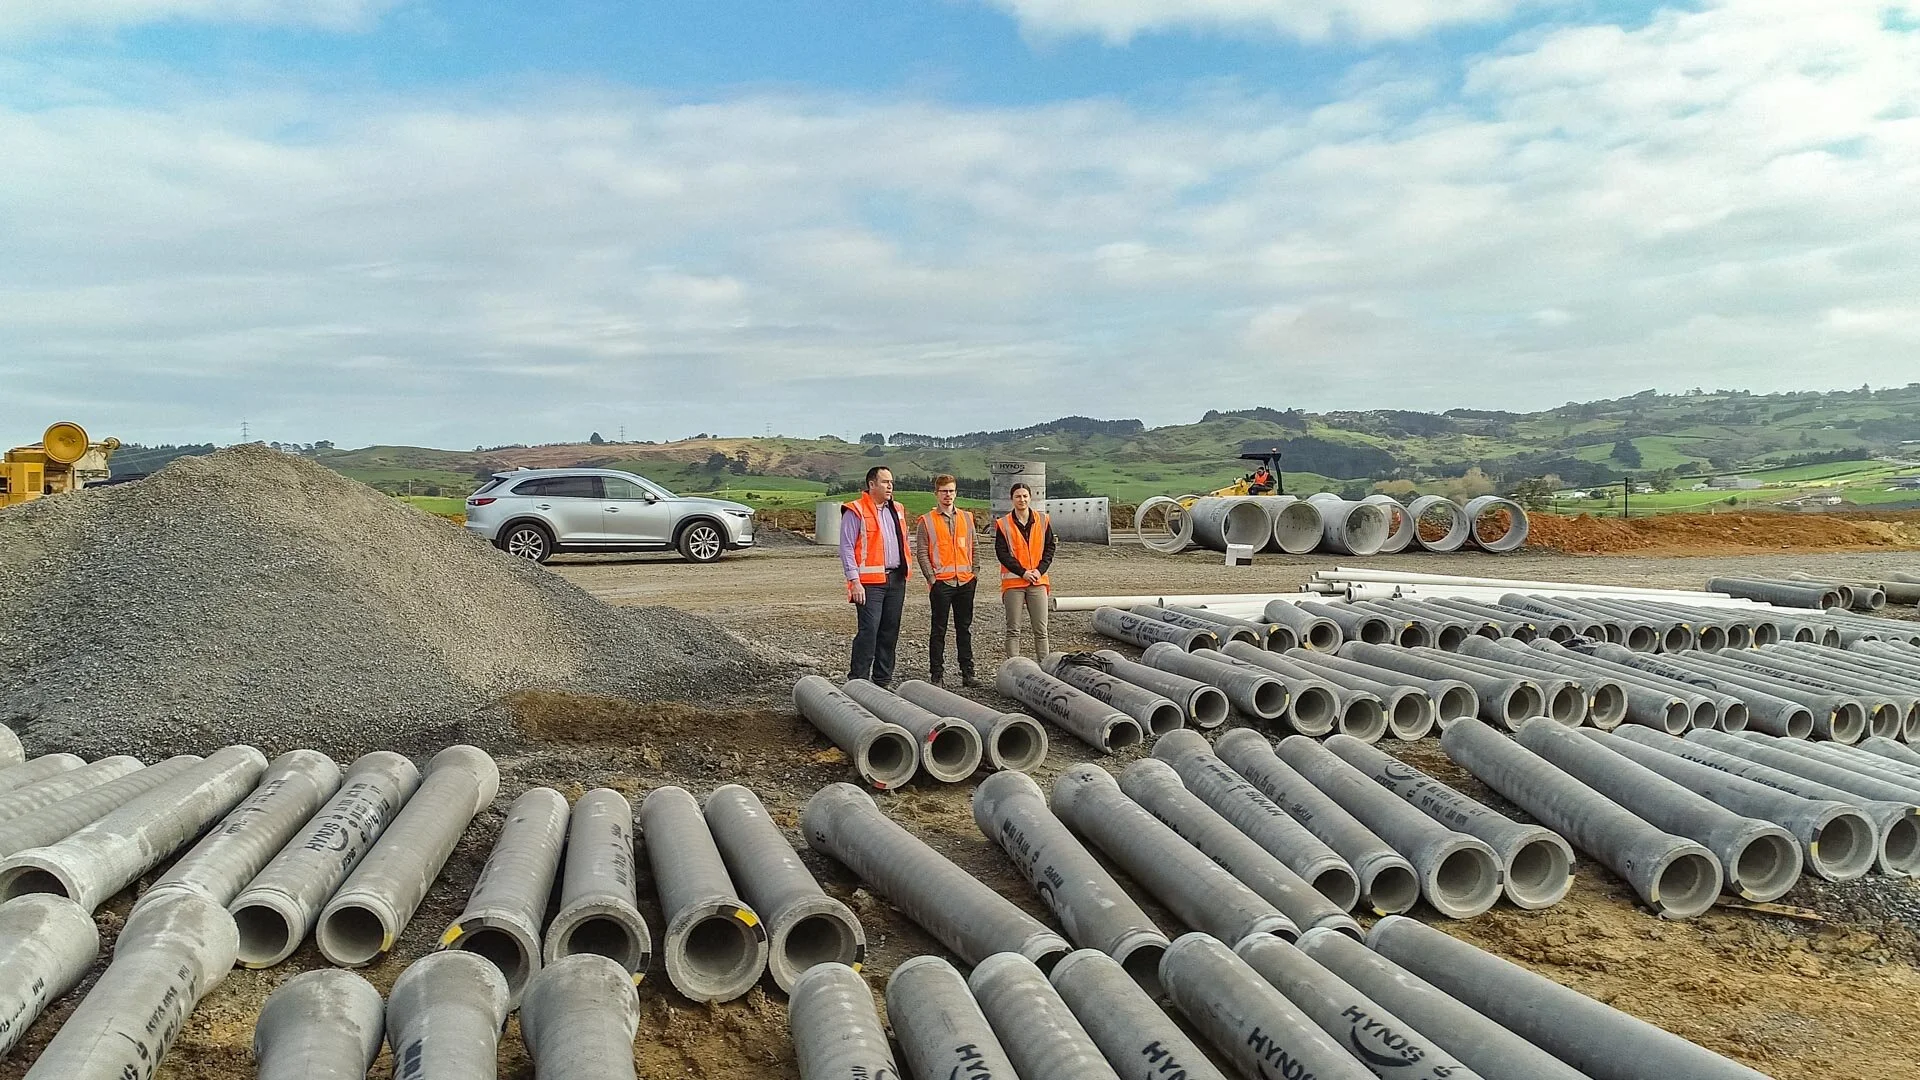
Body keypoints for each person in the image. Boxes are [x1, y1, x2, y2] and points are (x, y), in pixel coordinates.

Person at [840, 465, 912, 687]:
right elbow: (846, 547)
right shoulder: (856, 510)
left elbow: (904, 541)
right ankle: (858, 681)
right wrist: (855, 582)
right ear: (872, 484)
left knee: (889, 632)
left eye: (891, 482)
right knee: (869, 631)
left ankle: (882, 681)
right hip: (869, 584)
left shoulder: (897, 509)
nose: (890, 486)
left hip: (896, 580)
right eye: (885, 482)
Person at [914, 474, 978, 686]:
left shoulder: (967, 518)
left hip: (965, 582)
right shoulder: (927, 521)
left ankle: (968, 673)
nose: (948, 495)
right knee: (938, 630)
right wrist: (932, 579)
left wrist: (974, 572)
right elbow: (922, 552)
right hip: (942, 584)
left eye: (951, 491)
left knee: (964, 628)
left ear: (956, 493)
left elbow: (974, 546)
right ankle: (937, 675)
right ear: (936, 494)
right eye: (944, 491)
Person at [994, 481, 1055, 660]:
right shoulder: (1003, 524)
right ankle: (1014, 666)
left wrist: (1039, 571)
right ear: (1012, 499)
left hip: (1038, 581)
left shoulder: (1043, 520)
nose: (1022, 499)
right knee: (1013, 629)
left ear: (1030, 497)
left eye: (1025, 496)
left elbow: (1050, 548)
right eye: (1018, 496)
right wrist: (1023, 572)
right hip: (1014, 583)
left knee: (1041, 630)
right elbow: (1002, 553)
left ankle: (1045, 666)